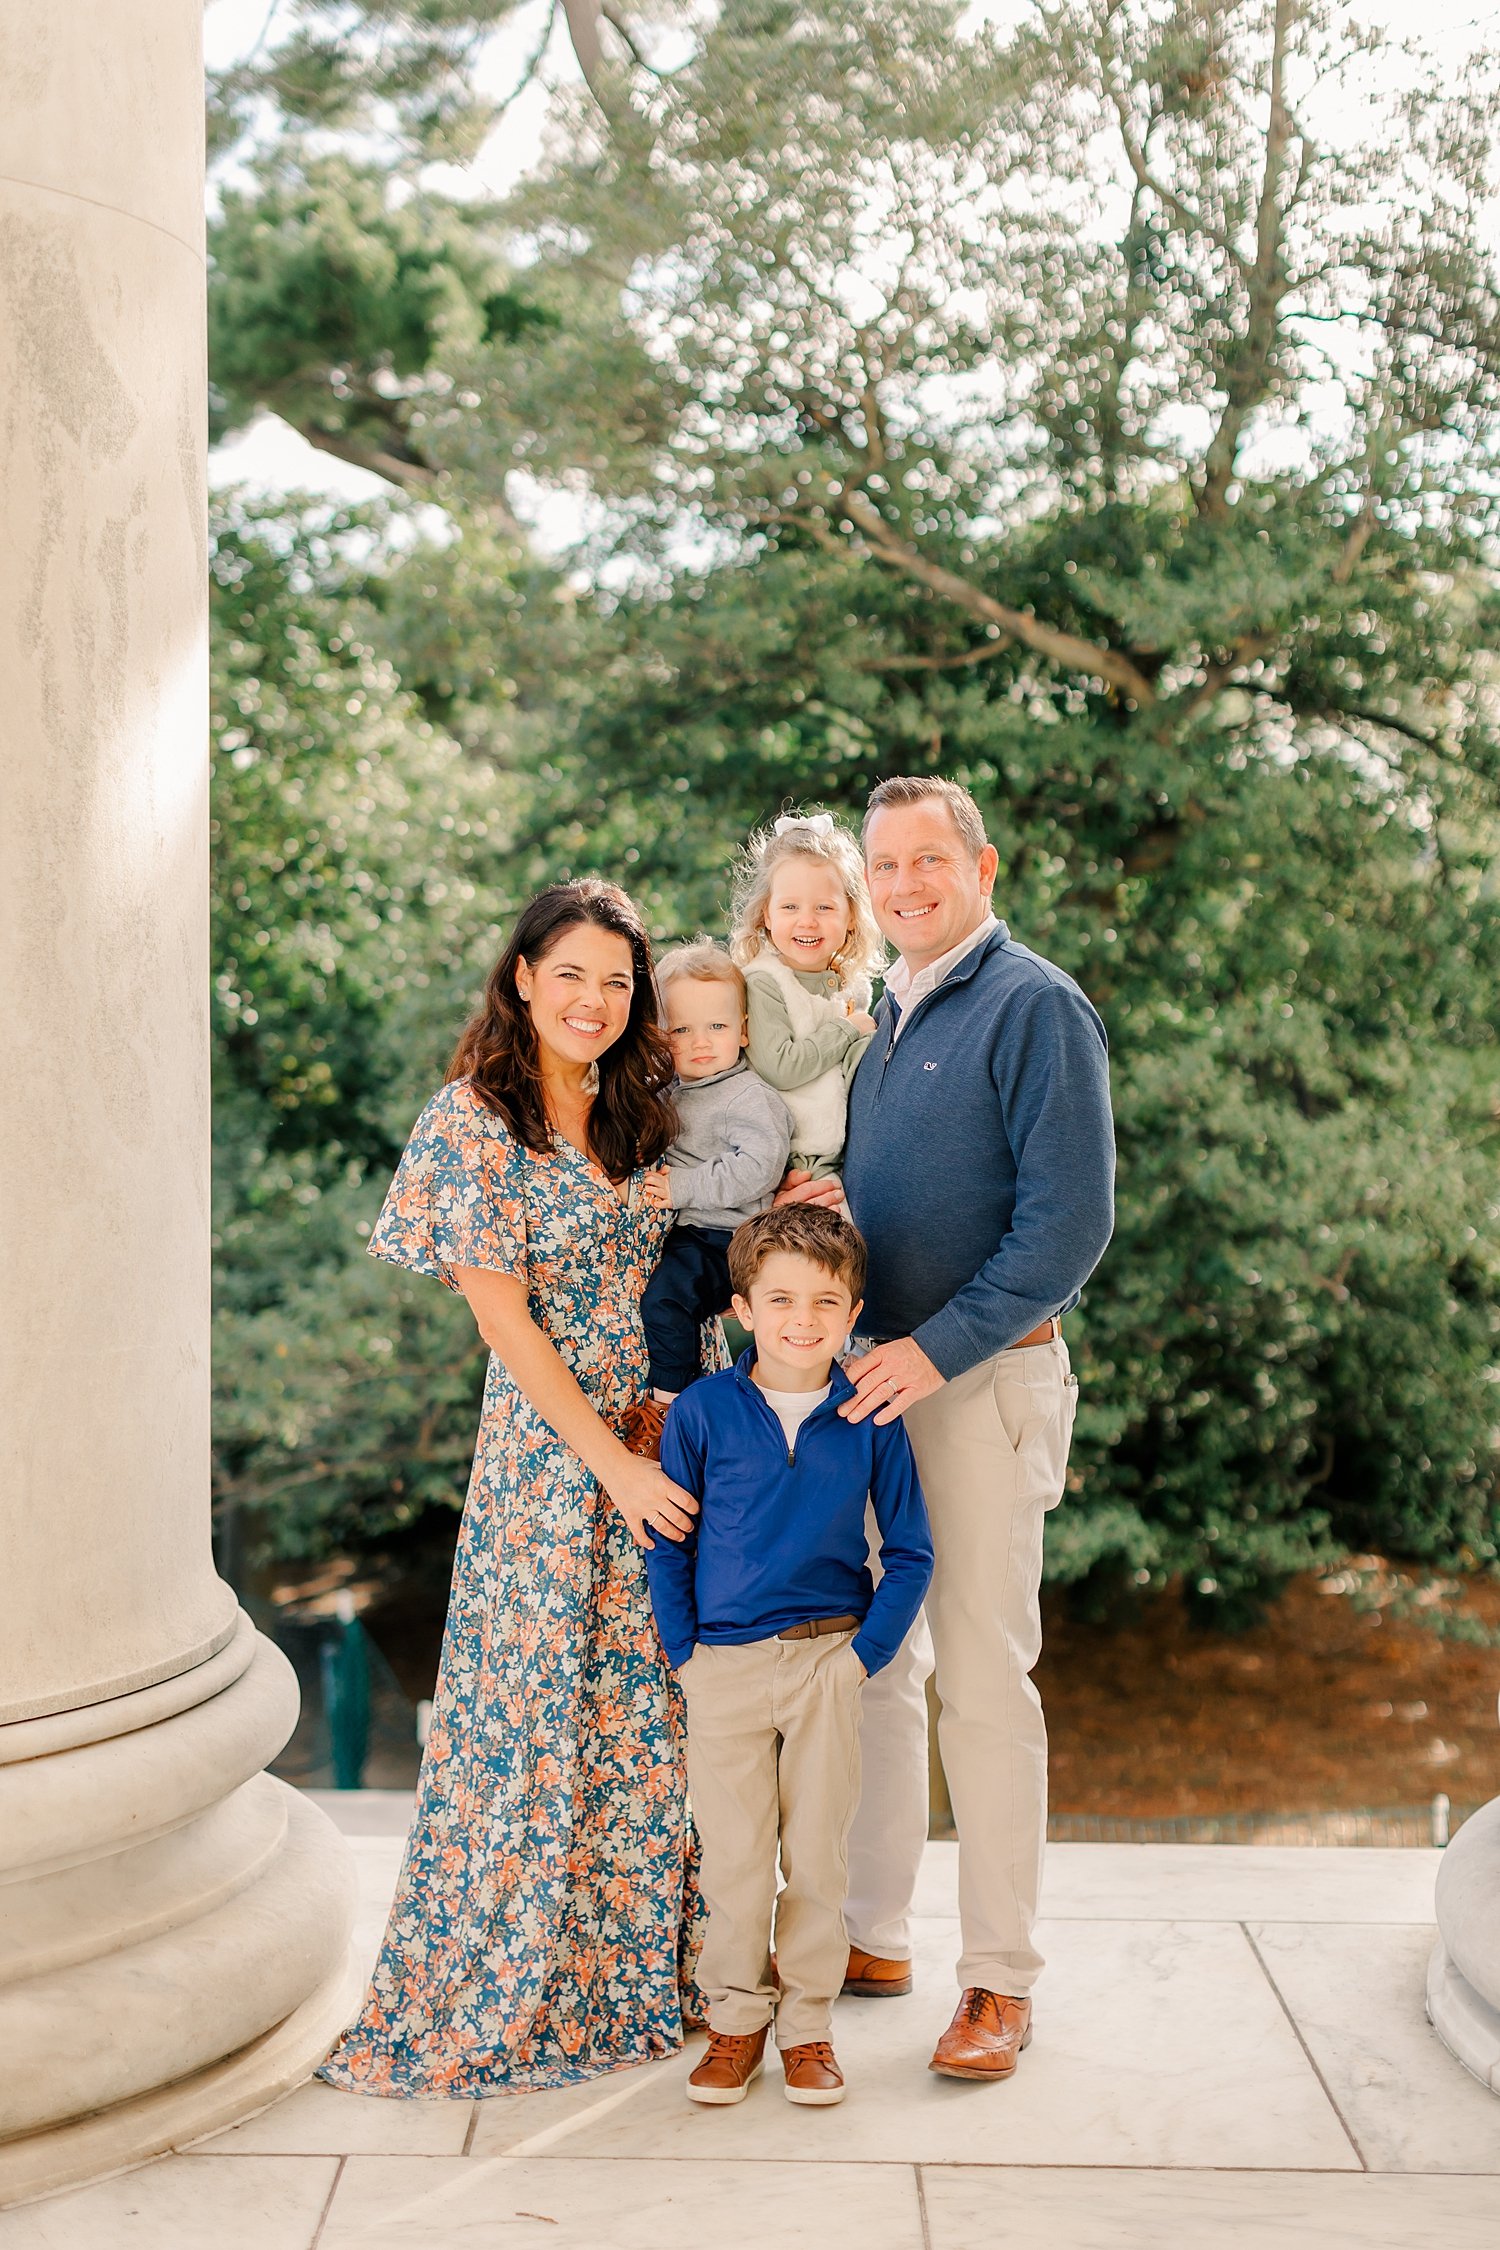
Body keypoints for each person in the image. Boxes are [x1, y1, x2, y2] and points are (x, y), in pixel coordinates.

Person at [319, 880, 707, 2097]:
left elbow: (686, 1264)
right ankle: (502, 1986)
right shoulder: (472, 1120)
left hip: (664, 1435)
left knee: (639, 1726)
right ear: (525, 978)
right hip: (556, 1462)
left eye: (619, 980)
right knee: (529, 1724)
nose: (596, 1000)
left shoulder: (642, 1111)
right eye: (573, 974)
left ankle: (631, 1979)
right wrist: (618, 1472)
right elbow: (509, 1325)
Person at [785, 775, 1115, 2084]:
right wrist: (833, 1197)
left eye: (930, 860)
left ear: (983, 865)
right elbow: (914, 1192)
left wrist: (935, 1348)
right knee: (880, 1668)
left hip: (978, 1383)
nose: (906, 883)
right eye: (888, 865)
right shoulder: (888, 1009)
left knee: (982, 1682)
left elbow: (1066, 1227)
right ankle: (877, 1934)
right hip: (878, 1381)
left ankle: (1001, 1983)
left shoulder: (1035, 1005)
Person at [645, 1205, 933, 2109]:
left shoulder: (869, 1415)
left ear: (853, 1316)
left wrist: (862, 1661)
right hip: (722, 1671)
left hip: (826, 1664)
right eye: (781, 1299)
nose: (802, 1318)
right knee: (733, 1859)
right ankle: (736, 2026)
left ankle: (807, 2029)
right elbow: (668, 1541)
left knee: (818, 1859)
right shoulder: (702, 1412)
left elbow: (912, 1552)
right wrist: (685, 1654)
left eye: (825, 1302)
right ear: (741, 1308)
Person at [628, 943, 792, 1458]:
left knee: (667, 1301)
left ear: (743, 1030)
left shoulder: (747, 1096)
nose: (700, 1043)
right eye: (681, 1030)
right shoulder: (672, 1092)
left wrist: (684, 1187)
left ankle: (669, 1407)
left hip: (725, 1236)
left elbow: (759, 1166)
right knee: (664, 1303)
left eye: (717, 1028)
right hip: (691, 1231)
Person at [730, 812, 883, 1181]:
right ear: (766, 914)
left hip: (841, 1156)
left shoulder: (851, 986)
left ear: (851, 915)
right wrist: (848, 1031)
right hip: (784, 1161)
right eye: (790, 907)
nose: (807, 921)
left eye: (824, 907)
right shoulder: (763, 982)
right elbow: (780, 1067)